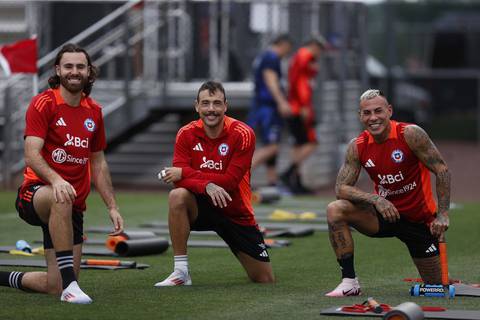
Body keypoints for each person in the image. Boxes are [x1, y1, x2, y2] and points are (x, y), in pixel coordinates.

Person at [0, 43, 124, 304]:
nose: (74, 71)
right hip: (36, 195)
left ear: (89, 72)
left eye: (80, 66)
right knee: (61, 198)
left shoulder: (95, 112)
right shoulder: (43, 103)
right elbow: (31, 154)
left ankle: (12, 279)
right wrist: (56, 180)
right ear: (58, 70)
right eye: (68, 66)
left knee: (52, 285)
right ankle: (72, 287)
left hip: (72, 206)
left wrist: (112, 206)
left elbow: (98, 163)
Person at [325, 89, 450, 297]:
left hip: (419, 221)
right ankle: (349, 282)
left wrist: (443, 214)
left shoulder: (410, 134)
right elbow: (341, 188)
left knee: (435, 287)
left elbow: (442, 170)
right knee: (335, 209)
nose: (373, 118)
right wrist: (376, 199)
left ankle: (433, 274)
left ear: (389, 111)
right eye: (367, 113)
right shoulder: (357, 146)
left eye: (378, 111)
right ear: (360, 116)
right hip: (384, 215)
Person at [155, 81, 275, 286]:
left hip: (235, 211)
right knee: (177, 196)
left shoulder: (243, 133)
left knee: (264, 279)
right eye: (206, 103)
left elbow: (230, 181)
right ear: (197, 106)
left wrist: (185, 172)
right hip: (200, 206)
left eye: (217, 103)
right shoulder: (186, 133)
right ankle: (181, 272)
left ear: (225, 106)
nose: (211, 109)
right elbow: (178, 183)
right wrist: (206, 186)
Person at [281, 37, 326, 194]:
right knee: (311, 142)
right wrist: (304, 105)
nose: (319, 54)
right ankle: (288, 172)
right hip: (299, 107)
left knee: (299, 144)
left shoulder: (299, 58)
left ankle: (296, 181)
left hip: (296, 106)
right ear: (313, 46)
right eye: (319, 49)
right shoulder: (304, 56)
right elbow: (300, 84)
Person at [247, 34, 292, 187]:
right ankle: (241, 175)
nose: (287, 53)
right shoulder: (271, 58)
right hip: (268, 109)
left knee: (271, 143)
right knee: (272, 146)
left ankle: (272, 181)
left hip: (262, 107)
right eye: (288, 49)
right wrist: (282, 102)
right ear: (283, 45)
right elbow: (271, 81)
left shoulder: (264, 56)